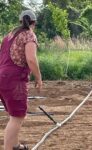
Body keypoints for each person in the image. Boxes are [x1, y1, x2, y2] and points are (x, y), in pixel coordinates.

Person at [0, 10, 42, 150]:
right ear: (33, 23)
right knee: (17, 117)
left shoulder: (8, 36)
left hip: (2, 77)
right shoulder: (29, 35)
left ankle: (15, 146)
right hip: (15, 79)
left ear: (20, 21)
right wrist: (38, 77)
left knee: (14, 115)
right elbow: (31, 59)